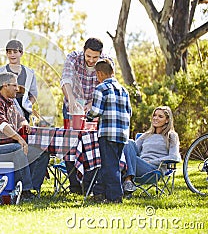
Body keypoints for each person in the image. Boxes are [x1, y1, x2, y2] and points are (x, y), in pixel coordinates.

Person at [0, 72, 49, 200]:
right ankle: (25, 191)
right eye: (14, 85)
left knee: (41, 152)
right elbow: (2, 125)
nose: (17, 88)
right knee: (18, 149)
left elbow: (20, 118)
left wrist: (25, 124)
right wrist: (19, 138)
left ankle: (32, 189)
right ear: (5, 85)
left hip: (5, 147)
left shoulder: (9, 103)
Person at [60, 37, 112, 194]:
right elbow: (66, 80)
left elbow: (106, 86)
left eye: (95, 57)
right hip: (72, 105)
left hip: (95, 106)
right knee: (70, 144)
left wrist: (91, 105)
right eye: (88, 56)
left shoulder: (106, 62)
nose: (91, 60)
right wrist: (72, 100)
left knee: (93, 144)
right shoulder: (73, 58)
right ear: (84, 51)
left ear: (100, 55)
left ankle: (90, 185)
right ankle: (74, 186)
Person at [85, 58, 132, 203]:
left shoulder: (101, 89)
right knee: (110, 164)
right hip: (122, 133)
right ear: (112, 72)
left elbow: (96, 111)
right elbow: (129, 112)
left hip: (107, 133)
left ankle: (115, 197)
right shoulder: (124, 90)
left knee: (110, 167)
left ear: (99, 74)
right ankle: (99, 193)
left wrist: (87, 115)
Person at [122, 106, 181, 193]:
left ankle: (127, 181)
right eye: (154, 115)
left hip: (154, 170)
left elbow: (174, 157)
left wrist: (152, 162)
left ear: (167, 120)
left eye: (160, 116)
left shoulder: (171, 135)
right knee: (129, 142)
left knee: (127, 152)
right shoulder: (146, 135)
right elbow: (131, 150)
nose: (156, 118)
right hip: (139, 166)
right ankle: (126, 183)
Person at [0, 40, 38, 122]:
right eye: (9, 52)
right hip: (6, 113)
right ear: (7, 54)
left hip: (24, 115)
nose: (12, 55)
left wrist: (27, 105)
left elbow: (34, 93)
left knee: (23, 134)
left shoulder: (30, 73)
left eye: (15, 52)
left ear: (21, 53)